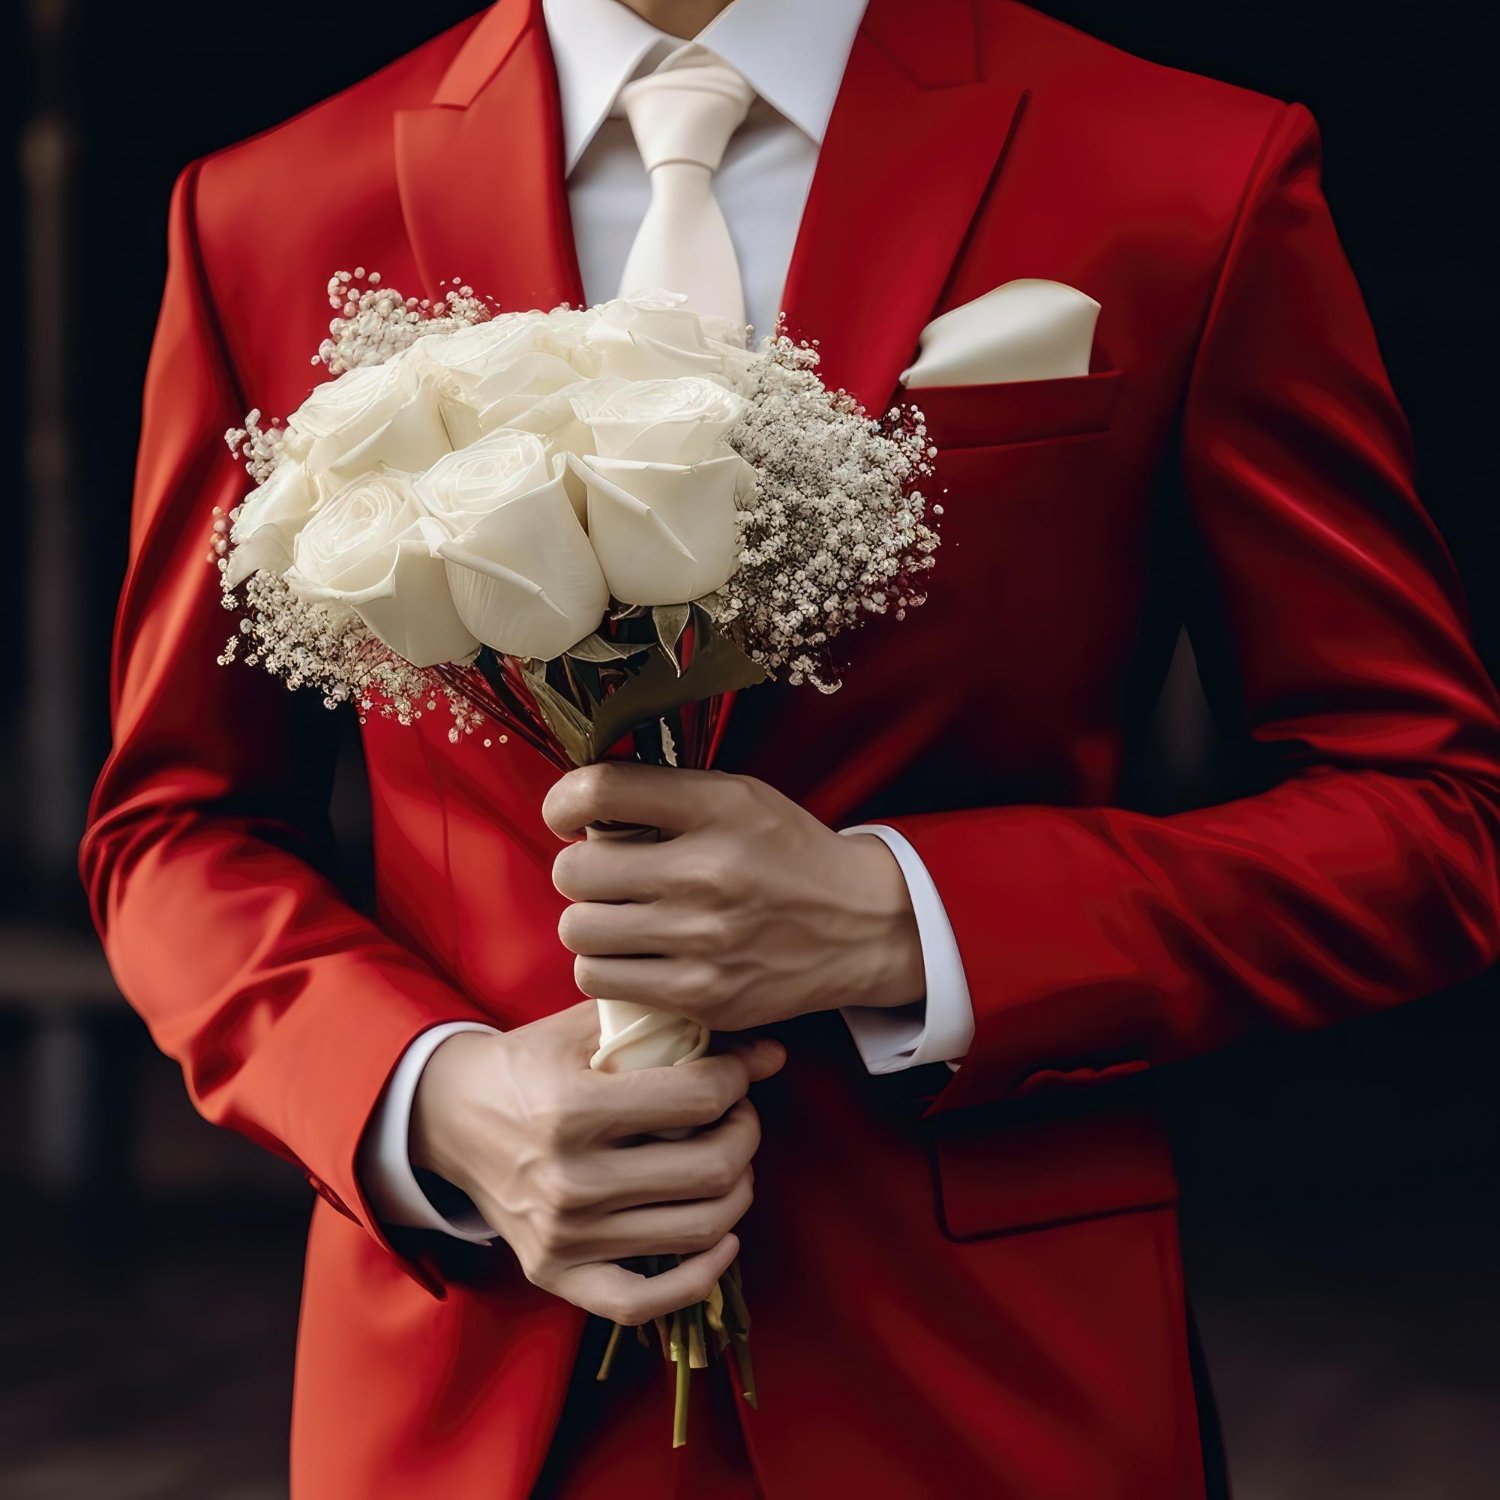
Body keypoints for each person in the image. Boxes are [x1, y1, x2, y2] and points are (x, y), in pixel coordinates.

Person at [80, 0, 1500, 1495]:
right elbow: (173, 828)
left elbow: (1433, 814)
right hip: (476, 1385)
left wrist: (908, 921)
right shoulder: (269, 209)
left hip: (996, 1388)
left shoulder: (1192, 165)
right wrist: (430, 1098)